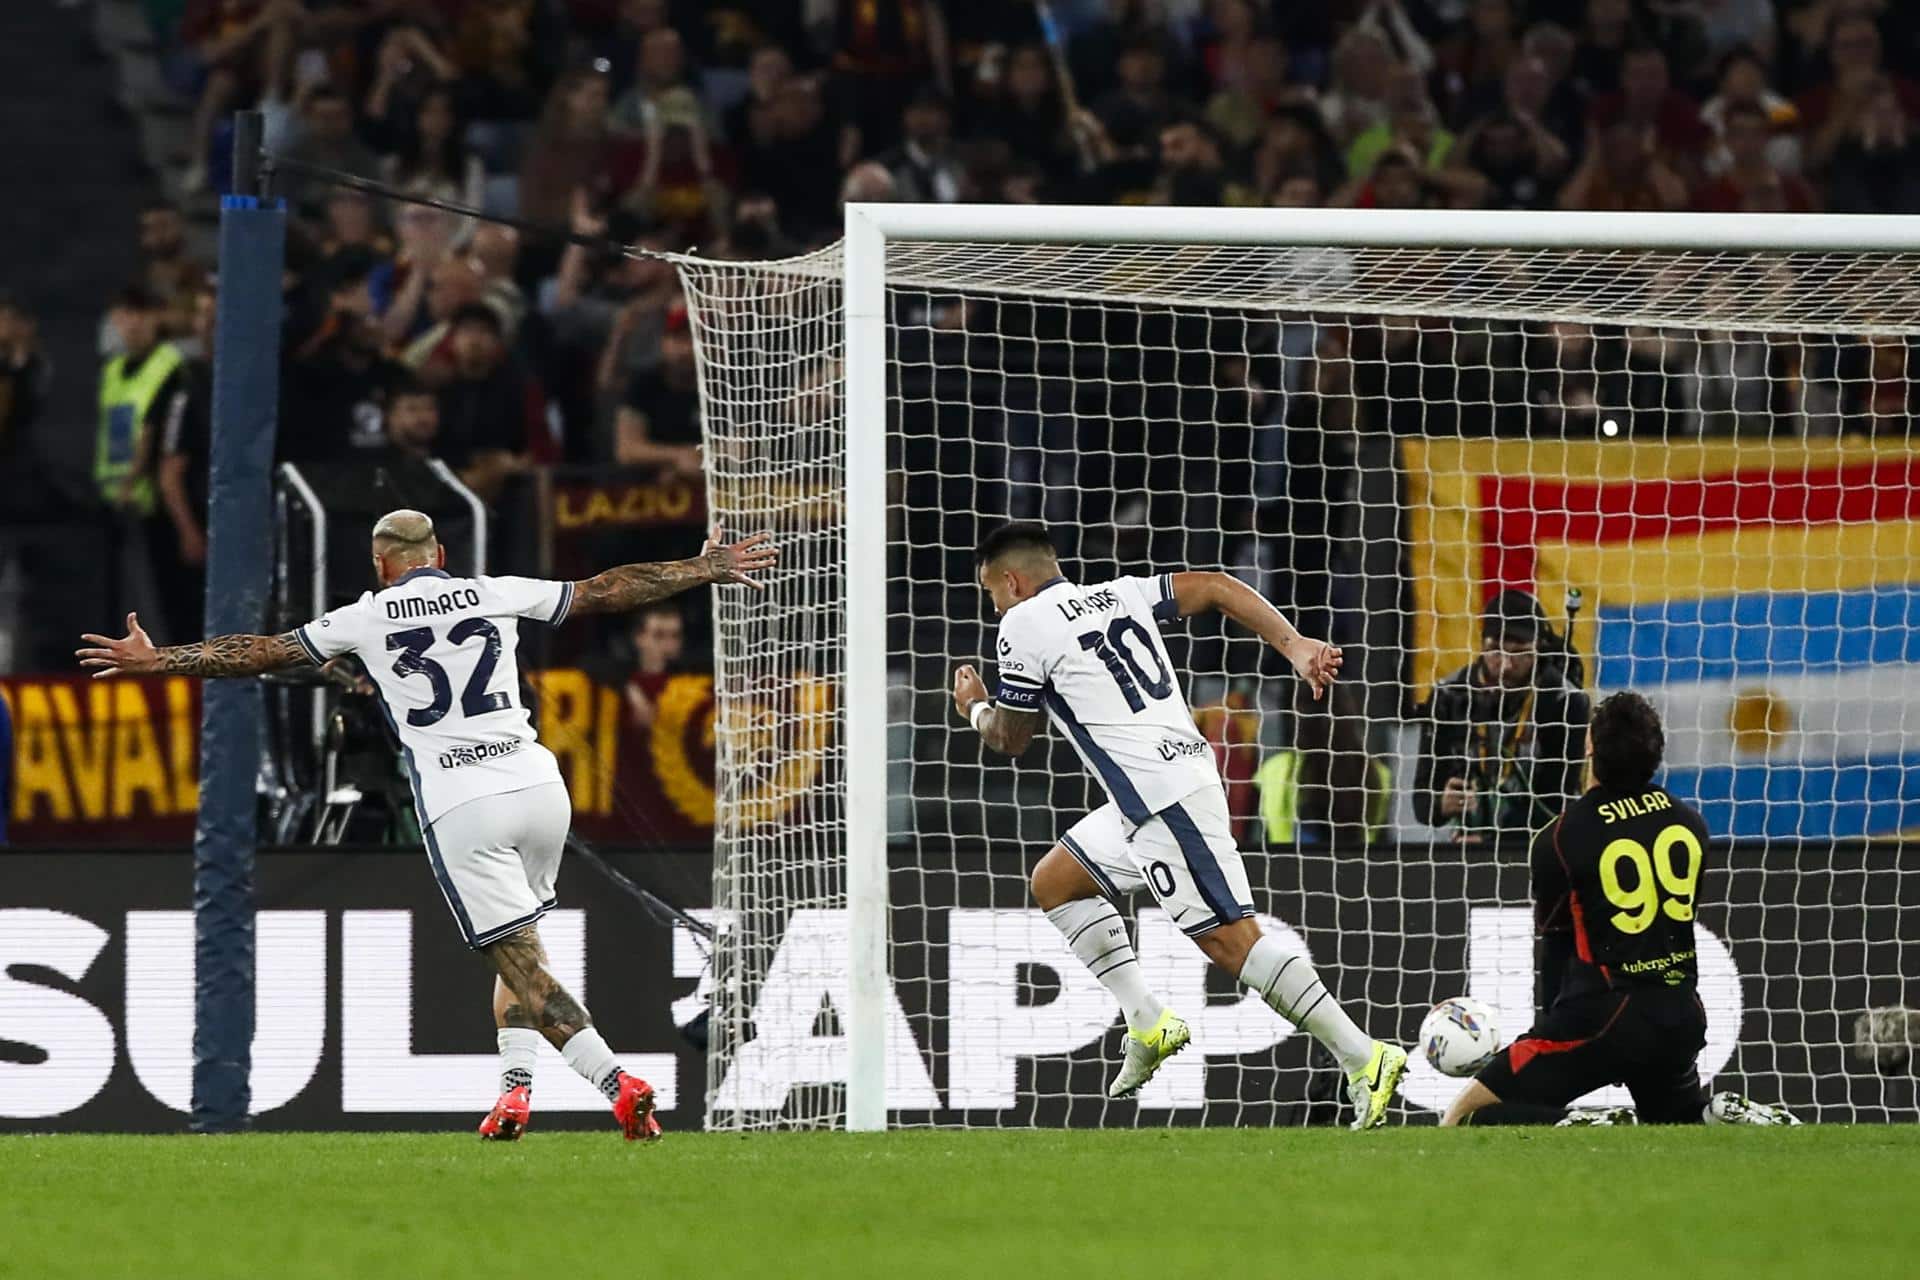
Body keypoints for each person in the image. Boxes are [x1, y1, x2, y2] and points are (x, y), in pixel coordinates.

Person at [76, 510, 779, 1141]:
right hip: (538, 785)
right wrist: (705, 567)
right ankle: (515, 1095)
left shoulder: (366, 615)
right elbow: (604, 589)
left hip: (462, 803)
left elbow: (260, 652)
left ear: (380, 564)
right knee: (522, 949)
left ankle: (616, 1085)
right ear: (439, 552)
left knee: (521, 964)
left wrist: (157, 658)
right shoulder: (493, 589)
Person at [952, 523, 1407, 1129]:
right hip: (1151, 794)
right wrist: (1294, 644)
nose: (995, 605)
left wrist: (975, 707)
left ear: (1010, 581)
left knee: (1230, 942)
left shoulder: (1022, 623)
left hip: (1163, 800)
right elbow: (1216, 586)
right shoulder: (1121, 594)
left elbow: (1012, 737)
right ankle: (1148, 1021)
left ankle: (1364, 1057)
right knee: (1056, 882)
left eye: (992, 593)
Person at [1442, 692, 1798, 1127]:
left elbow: (1557, 951)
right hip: (1682, 1012)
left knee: (1464, 1118)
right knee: (1675, 1124)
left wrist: (1551, 1032)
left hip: (1605, 1015)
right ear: (1657, 752)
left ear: (1589, 748)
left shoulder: (1561, 837)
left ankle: (1594, 1123)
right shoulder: (1690, 823)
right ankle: (1718, 1115)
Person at [1415, 589, 1589, 842]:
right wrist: (1439, 804)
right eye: (1495, 650)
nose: (1506, 664)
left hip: (1541, 848)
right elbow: (1421, 801)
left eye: (1519, 651)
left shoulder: (1565, 701)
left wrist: (1491, 843)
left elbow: (1556, 806)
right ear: (1482, 645)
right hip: (1464, 847)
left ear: (1538, 649)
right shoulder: (1447, 696)